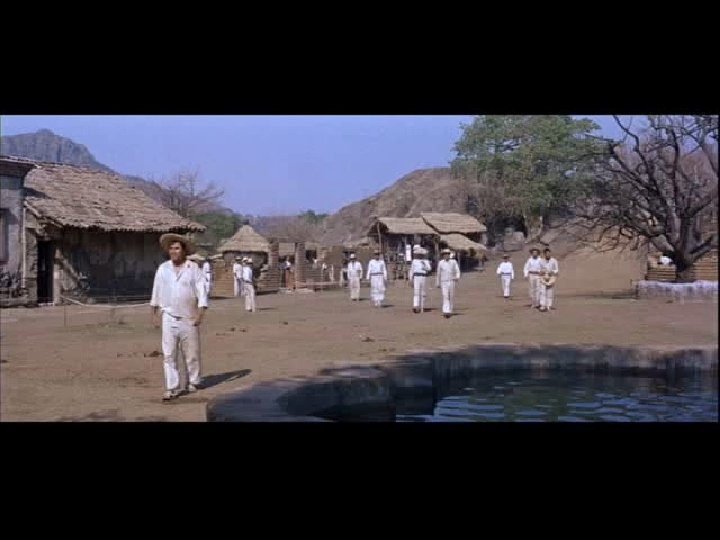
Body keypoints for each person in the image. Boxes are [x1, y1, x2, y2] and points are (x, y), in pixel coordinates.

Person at [150, 234, 208, 401]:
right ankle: (172, 387)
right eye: (171, 248)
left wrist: (200, 314)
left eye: (177, 248)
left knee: (191, 353)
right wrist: (154, 313)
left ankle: (194, 380)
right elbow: (156, 291)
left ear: (184, 251)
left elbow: (202, 292)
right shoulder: (163, 268)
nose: (173, 251)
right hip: (168, 316)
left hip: (188, 317)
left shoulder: (193, 269)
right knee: (169, 354)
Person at [436, 248, 460, 318]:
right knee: (445, 296)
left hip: (451, 281)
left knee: (451, 296)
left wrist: (457, 277)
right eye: (444, 254)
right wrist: (438, 282)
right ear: (443, 255)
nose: (446, 256)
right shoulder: (440, 263)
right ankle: (446, 311)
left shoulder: (453, 262)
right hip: (444, 281)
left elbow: (457, 270)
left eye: (447, 254)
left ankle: (450, 310)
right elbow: (438, 273)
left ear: (449, 255)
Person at [411, 246, 432, 313]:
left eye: (420, 254)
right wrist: (411, 279)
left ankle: (422, 306)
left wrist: (424, 266)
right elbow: (412, 270)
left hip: (423, 276)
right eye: (418, 254)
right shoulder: (414, 261)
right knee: (416, 291)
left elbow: (429, 269)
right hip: (416, 276)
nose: (419, 255)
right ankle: (416, 306)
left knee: (423, 292)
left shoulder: (426, 261)